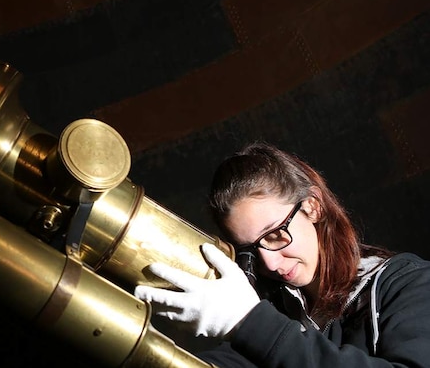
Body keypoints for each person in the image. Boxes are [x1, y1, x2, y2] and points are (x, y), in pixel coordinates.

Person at [134, 141, 430, 367]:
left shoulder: (409, 283)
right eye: (251, 250)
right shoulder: (279, 308)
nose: (271, 263)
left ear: (313, 206)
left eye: (275, 234)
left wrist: (249, 322)